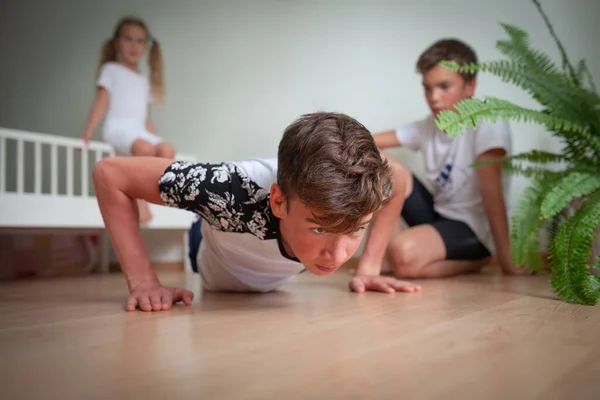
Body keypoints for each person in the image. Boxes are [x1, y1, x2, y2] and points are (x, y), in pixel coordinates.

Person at [92, 112, 422, 312]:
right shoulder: (228, 189)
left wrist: (368, 266)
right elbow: (110, 174)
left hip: (271, 270)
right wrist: (144, 283)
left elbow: (401, 177)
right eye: (319, 229)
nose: (338, 256)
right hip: (212, 254)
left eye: (355, 230)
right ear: (278, 201)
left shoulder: (366, 185)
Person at [353, 38, 528, 284]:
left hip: (472, 228)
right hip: (437, 215)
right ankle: (389, 257)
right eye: (427, 88)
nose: (434, 97)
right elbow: (367, 139)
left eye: (444, 86)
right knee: (381, 162)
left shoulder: (488, 122)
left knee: (403, 255)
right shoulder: (428, 126)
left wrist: (506, 260)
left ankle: (477, 259)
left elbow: (492, 194)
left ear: (470, 86)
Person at [81, 16, 175, 224]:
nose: (134, 46)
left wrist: (156, 139)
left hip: (138, 129)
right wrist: (88, 131)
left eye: (140, 41)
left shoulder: (144, 81)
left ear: (146, 46)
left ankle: (155, 195)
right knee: (144, 149)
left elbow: (145, 119)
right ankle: (139, 200)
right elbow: (101, 103)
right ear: (116, 42)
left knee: (166, 150)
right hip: (118, 127)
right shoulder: (111, 70)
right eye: (128, 39)